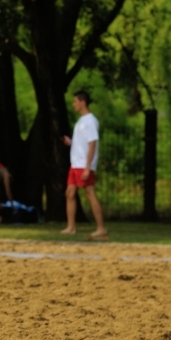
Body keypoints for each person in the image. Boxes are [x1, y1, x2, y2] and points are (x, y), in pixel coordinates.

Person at [61, 90, 107, 239]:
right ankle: (71, 227)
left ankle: (101, 228)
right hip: (75, 164)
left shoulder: (90, 121)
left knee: (90, 193)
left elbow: (92, 143)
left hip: (83, 165)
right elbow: (83, 143)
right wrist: (71, 143)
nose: (73, 104)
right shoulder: (81, 121)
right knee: (70, 193)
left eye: (75, 101)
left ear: (82, 102)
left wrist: (88, 167)